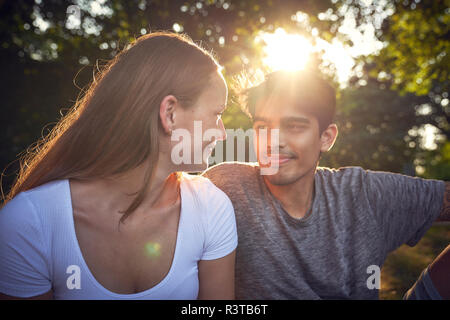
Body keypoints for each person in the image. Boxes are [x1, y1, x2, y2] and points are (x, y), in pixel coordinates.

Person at [0, 32, 237, 300]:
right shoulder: (31, 222)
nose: (222, 134)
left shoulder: (210, 207)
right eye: (217, 114)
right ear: (170, 114)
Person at [202, 69, 450, 299]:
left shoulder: (366, 194)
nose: (273, 142)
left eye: (294, 126)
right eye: (263, 127)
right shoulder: (225, 187)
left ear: (326, 137)